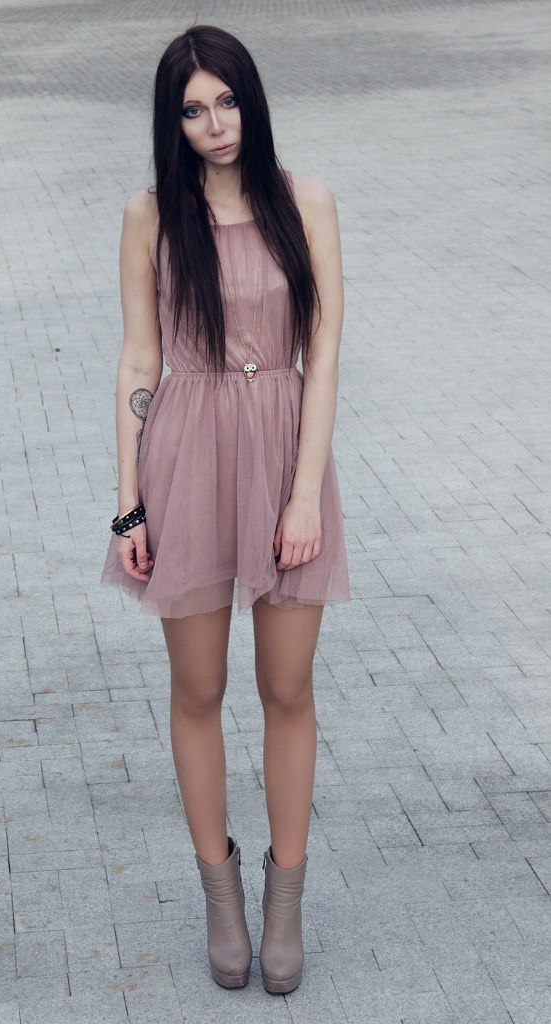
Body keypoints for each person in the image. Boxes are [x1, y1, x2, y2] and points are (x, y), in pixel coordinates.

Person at [100, 24, 351, 994]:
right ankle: (221, 895)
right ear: (172, 123)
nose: (216, 124)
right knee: (197, 688)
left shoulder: (305, 201)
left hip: (284, 453)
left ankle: (286, 900)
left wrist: (302, 492)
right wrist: (129, 504)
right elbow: (139, 358)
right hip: (188, 457)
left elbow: (323, 353)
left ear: (252, 100)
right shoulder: (151, 218)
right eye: (194, 110)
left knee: (286, 687)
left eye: (228, 101)